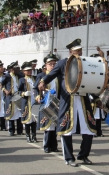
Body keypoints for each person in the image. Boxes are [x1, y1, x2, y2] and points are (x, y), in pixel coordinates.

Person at [38, 38, 97, 167]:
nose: (79, 53)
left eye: (80, 50)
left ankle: (83, 155)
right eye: (77, 51)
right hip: (67, 100)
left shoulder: (85, 62)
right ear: (71, 51)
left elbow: (91, 82)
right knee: (66, 129)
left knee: (89, 129)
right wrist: (43, 82)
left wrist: (96, 98)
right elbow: (51, 74)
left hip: (83, 99)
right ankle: (69, 158)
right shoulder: (62, 63)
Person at [34, 54, 60, 153]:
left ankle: (54, 146)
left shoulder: (58, 76)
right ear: (46, 65)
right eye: (50, 64)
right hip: (46, 101)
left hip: (56, 102)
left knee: (55, 125)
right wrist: (38, 95)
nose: (52, 66)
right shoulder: (42, 76)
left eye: (54, 64)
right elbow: (35, 88)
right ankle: (46, 146)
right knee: (48, 126)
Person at [1, 61, 24, 136]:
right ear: (11, 69)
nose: (18, 69)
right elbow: (1, 86)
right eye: (16, 68)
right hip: (10, 97)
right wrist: (5, 91)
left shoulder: (19, 75)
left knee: (19, 113)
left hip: (18, 96)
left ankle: (19, 130)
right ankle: (11, 130)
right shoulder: (6, 76)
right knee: (11, 113)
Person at [18, 61, 38, 143]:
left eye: (30, 70)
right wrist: (24, 93)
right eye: (27, 70)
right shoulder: (22, 80)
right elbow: (18, 91)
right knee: (27, 120)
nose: (30, 71)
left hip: (34, 101)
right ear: (24, 71)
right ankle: (28, 136)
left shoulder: (34, 78)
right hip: (26, 102)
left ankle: (34, 136)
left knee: (34, 120)